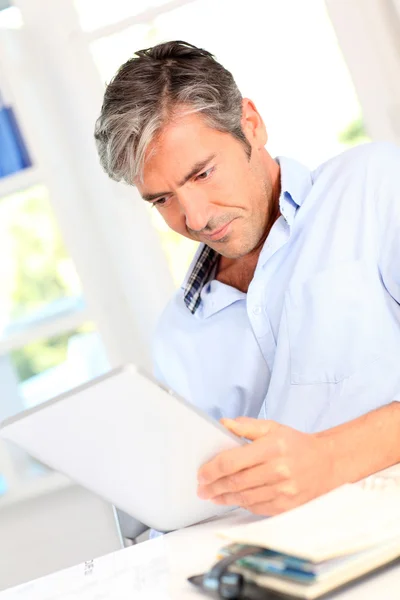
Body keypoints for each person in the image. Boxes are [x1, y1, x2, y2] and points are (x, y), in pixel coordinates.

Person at [95, 40, 400, 518]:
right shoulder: (178, 335)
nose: (194, 218)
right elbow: (203, 503)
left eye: (202, 173)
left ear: (250, 125)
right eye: (161, 200)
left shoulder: (375, 188)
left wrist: (330, 458)